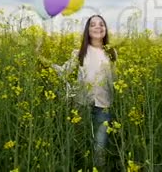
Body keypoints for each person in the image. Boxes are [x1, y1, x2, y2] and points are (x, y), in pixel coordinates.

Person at [51, 14, 118, 168]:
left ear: (105, 29)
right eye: (93, 24)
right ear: (87, 30)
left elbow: (116, 80)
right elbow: (64, 71)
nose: (98, 27)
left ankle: (97, 168)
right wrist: (48, 65)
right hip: (82, 104)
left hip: (104, 105)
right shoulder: (79, 52)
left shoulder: (112, 53)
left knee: (99, 146)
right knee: (81, 145)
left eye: (101, 24)